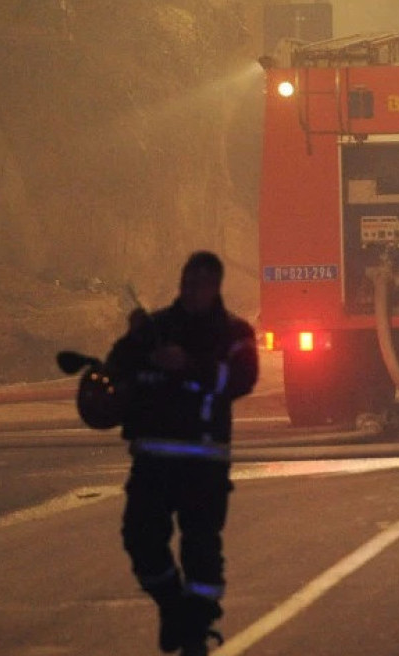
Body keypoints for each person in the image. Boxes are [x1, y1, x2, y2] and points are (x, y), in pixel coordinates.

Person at [104, 251, 259, 655]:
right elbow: (115, 370)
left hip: (204, 463)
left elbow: (242, 379)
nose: (193, 291)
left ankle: (197, 628)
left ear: (215, 287)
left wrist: (188, 365)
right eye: (188, 282)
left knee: (201, 548)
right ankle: (175, 610)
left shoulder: (234, 334)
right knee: (140, 540)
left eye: (202, 284)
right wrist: (132, 347)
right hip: (153, 461)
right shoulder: (154, 328)